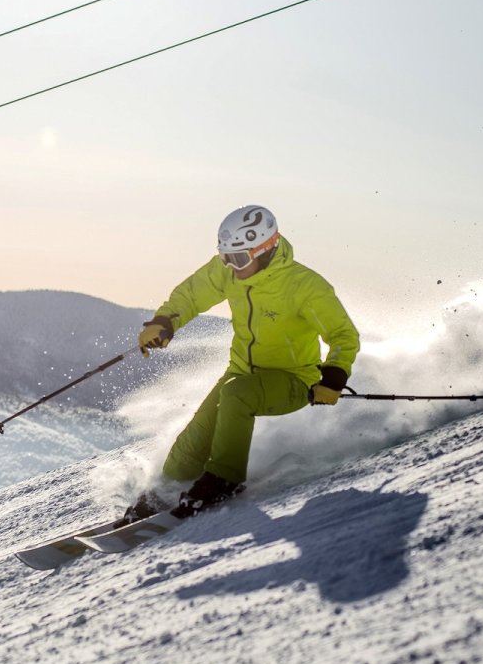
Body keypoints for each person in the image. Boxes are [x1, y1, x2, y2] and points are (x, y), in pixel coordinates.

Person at [120, 205, 360, 525]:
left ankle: (224, 479)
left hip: (294, 379)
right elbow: (192, 294)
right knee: (191, 444)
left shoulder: (305, 286)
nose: (232, 267)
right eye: (226, 258)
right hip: (241, 373)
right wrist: (165, 322)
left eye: (239, 259)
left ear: (265, 249)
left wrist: (333, 376)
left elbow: (344, 334)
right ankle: (165, 493)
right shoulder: (230, 271)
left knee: (236, 395)